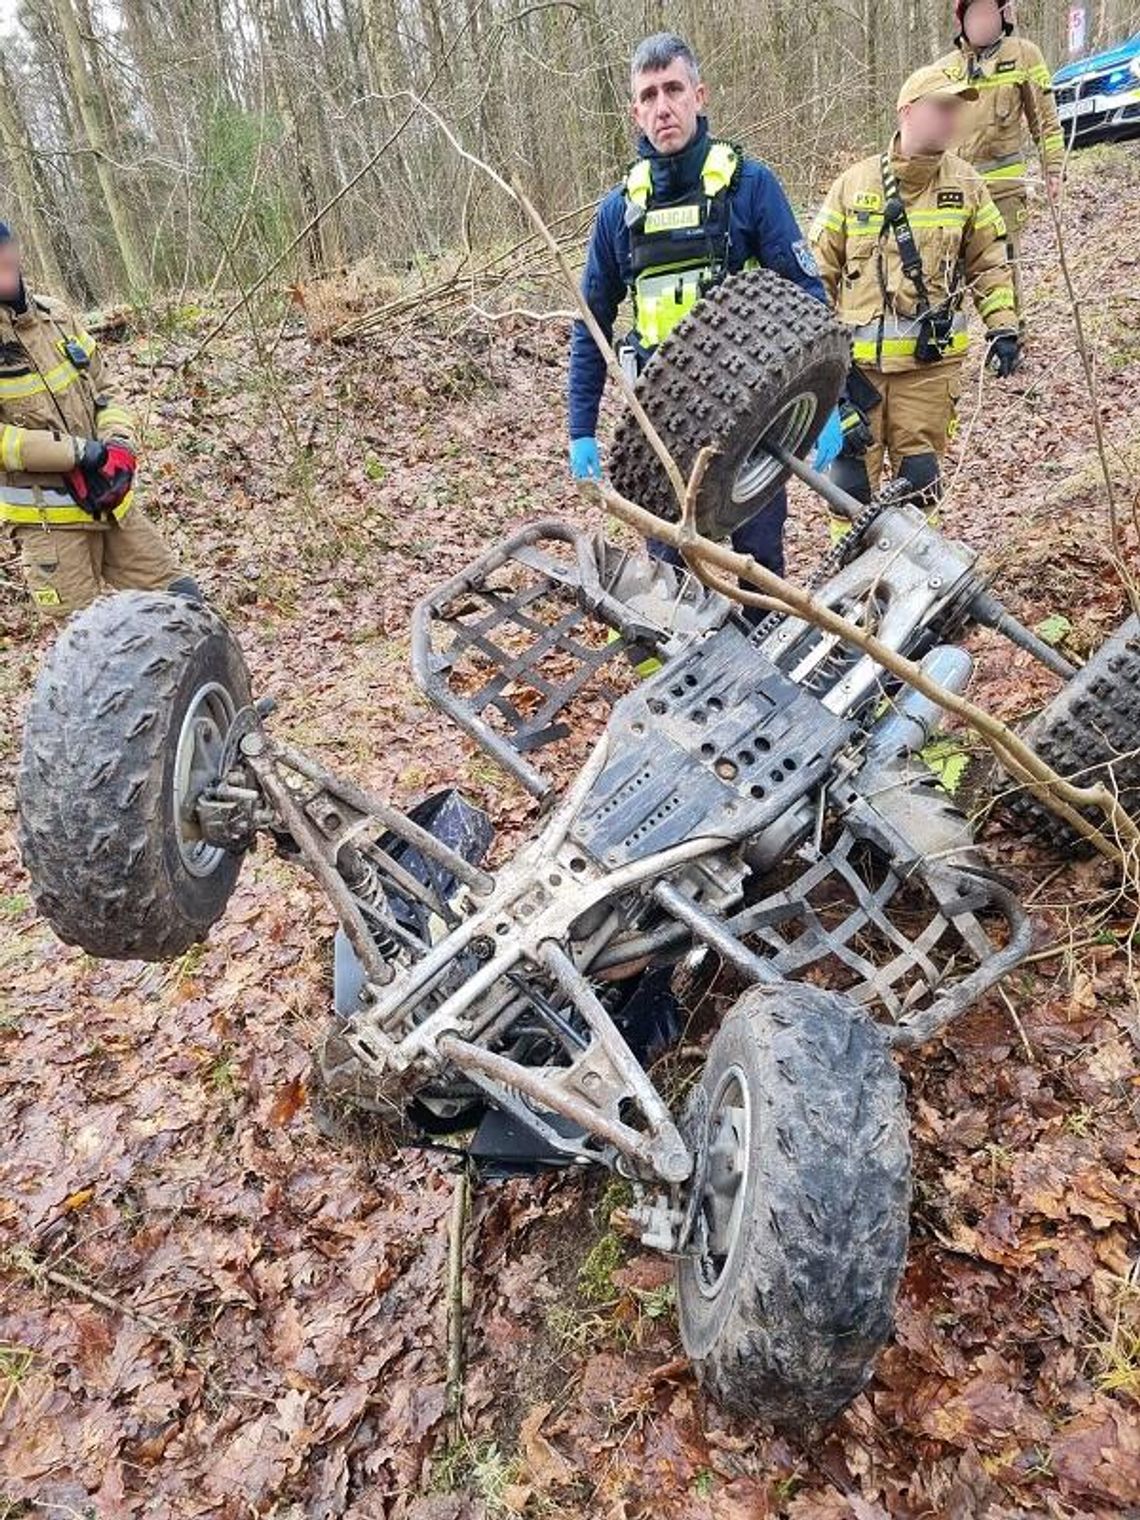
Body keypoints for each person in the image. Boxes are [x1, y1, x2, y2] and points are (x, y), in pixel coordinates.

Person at [566, 31, 842, 576]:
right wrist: (580, 429)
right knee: (670, 578)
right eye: (648, 95)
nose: (662, 107)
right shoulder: (619, 212)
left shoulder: (749, 186)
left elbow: (808, 293)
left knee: (759, 568)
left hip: (755, 415)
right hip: (661, 428)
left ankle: (765, 656)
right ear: (634, 111)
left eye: (673, 89)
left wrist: (829, 395)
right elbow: (590, 326)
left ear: (700, 95)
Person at [809, 62, 1018, 526]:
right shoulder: (854, 186)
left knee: (920, 486)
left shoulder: (966, 184)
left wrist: (1004, 326)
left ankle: (920, 588)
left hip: (928, 375)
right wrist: (826, 374)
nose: (952, 119)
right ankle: (848, 595)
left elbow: (989, 262)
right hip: (857, 375)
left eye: (957, 109)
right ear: (907, 111)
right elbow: (813, 282)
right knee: (847, 489)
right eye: (941, 107)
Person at [0, 222, 198, 613]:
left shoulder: (55, 316)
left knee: (181, 598)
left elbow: (106, 389)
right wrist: (75, 453)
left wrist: (118, 443)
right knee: (86, 643)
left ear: (16, 249)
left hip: (110, 500)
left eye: (4, 251)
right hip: (49, 522)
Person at [935, 0, 1064, 331]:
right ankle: (942, 343)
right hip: (954, 192)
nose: (982, 21)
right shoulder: (945, 69)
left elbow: (1046, 121)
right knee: (946, 270)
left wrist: (1053, 171)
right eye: (975, 14)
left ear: (1002, 16)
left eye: (989, 13)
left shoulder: (1024, 55)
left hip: (1004, 192)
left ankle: (1009, 337)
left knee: (1003, 266)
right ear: (962, 21)